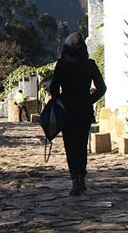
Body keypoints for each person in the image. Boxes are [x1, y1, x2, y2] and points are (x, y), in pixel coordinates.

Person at [49, 32, 106, 196]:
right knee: (82, 145)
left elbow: (53, 89)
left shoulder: (62, 65)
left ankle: (74, 179)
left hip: (67, 111)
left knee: (70, 146)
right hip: (84, 111)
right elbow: (102, 88)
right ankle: (82, 178)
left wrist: (60, 100)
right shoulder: (89, 65)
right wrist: (89, 100)